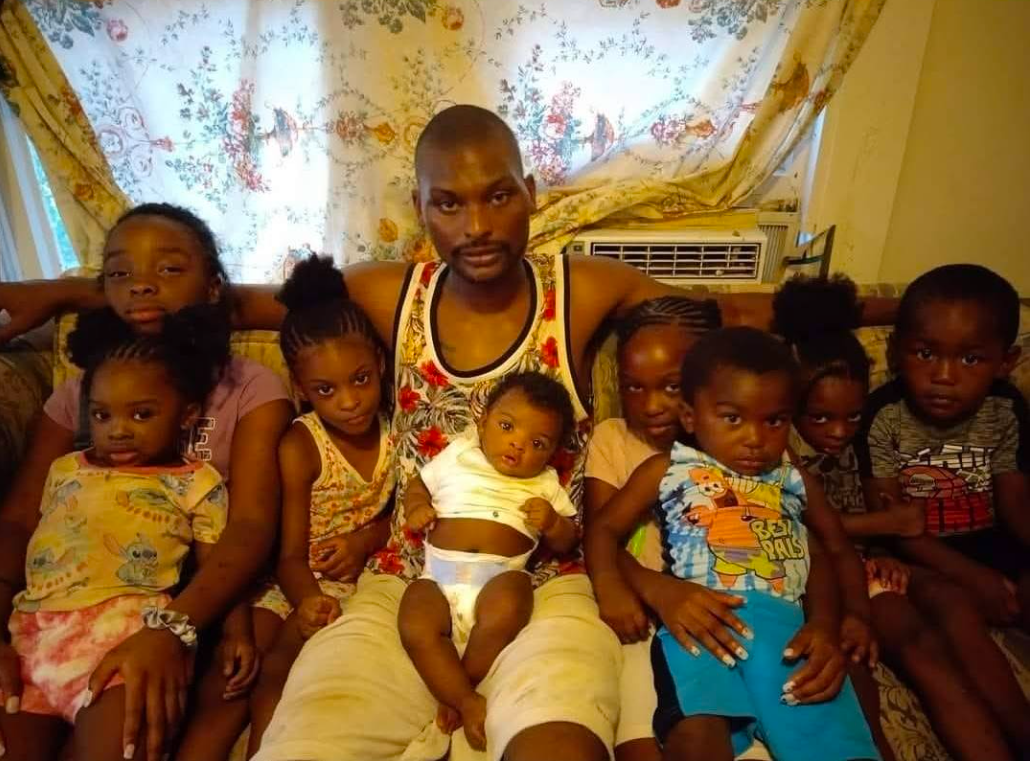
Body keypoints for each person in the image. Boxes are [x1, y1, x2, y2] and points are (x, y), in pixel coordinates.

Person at [0, 105, 896, 761]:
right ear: (421, 206)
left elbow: (731, 310)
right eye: (449, 203)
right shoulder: (392, 291)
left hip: (548, 581)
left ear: (530, 194)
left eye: (498, 196)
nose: (477, 226)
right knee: (309, 740)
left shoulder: (580, 287)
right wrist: (69, 291)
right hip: (405, 577)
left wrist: (894, 307)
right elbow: (230, 298)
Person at [0, 203, 293, 761]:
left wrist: (171, 629)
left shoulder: (248, 385)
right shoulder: (80, 392)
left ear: (213, 286)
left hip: (191, 595)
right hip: (56, 611)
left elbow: (251, 525)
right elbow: (18, 518)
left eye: (169, 268)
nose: (141, 286)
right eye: (120, 273)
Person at [586, 327, 880, 761]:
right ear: (690, 416)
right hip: (701, 624)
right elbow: (603, 528)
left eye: (774, 420)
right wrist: (610, 584)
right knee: (696, 736)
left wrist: (839, 619)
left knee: (835, 744)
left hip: (787, 630)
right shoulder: (668, 468)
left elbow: (830, 549)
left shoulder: (792, 478)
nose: (755, 439)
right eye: (733, 419)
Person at [775, 273, 1026, 761]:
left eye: (851, 417)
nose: (839, 431)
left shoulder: (868, 423)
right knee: (914, 646)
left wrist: (883, 546)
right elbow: (798, 522)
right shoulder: (782, 446)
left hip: (875, 565)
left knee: (951, 603)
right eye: (820, 418)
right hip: (822, 573)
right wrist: (883, 528)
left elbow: (881, 510)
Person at [0, 305, 230, 761]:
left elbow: (217, 567)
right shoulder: (64, 469)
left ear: (187, 415)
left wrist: (235, 633)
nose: (118, 431)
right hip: (33, 638)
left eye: (141, 415)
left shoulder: (197, 482)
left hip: (126, 640)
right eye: (102, 416)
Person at [856, 263, 1030, 754]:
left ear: (1005, 361)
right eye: (926, 354)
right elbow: (895, 524)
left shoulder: (1005, 408)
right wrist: (973, 577)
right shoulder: (885, 415)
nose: (943, 377)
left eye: (970, 359)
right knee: (954, 610)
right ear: (897, 352)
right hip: (922, 556)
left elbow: (1015, 502)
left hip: (993, 543)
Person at [243, 255, 396, 757]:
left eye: (360, 379)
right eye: (326, 390)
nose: (349, 401)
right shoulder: (301, 445)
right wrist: (309, 600)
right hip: (300, 584)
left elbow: (407, 512)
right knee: (266, 668)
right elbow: (289, 555)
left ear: (379, 364)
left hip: (371, 579)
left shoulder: (398, 428)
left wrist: (367, 539)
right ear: (301, 389)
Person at [400, 371, 578, 751]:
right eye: (507, 426)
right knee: (414, 622)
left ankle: (458, 685)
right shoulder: (460, 454)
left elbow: (568, 540)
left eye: (537, 443)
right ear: (482, 422)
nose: (518, 444)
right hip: (437, 578)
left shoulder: (546, 482)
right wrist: (416, 507)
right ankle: (466, 700)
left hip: (498, 580)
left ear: (552, 453)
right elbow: (419, 484)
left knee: (513, 598)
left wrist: (552, 523)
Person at [584, 296, 719, 761]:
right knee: (639, 737)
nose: (652, 405)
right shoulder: (615, 439)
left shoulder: (739, 440)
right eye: (633, 387)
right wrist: (651, 588)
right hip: (641, 614)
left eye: (672, 386)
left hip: (719, 615)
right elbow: (600, 531)